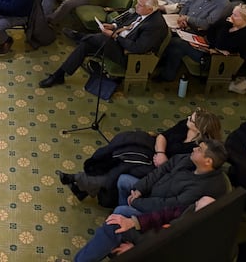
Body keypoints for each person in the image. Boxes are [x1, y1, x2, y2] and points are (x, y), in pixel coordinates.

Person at [56, 107, 221, 206]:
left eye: (191, 119)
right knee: (123, 147)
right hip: (156, 152)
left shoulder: (197, 151)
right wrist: (161, 153)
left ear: (199, 129)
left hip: (160, 170)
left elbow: (173, 169)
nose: (187, 118)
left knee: (124, 165)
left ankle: (78, 180)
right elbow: (162, 136)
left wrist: (163, 160)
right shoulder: (184, 127)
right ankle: (80, 185)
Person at [39, 0, 168, 88]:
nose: (136, 7)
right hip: (119, 43)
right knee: (85, 45)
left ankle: (80, 36)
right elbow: (128, 24)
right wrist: (113, 26)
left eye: (139, 5)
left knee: (102, 38)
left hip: (130, 56)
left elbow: (138, 48)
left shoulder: (155, 25)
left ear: (150, 9)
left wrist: (114, 36)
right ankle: (59, 75)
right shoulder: (142, 11)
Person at [74, 195, 217, 262]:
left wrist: (137, 251)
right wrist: (134, 222)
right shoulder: (191, 210)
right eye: (196, 202)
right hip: (157, 236)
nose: (193, 205)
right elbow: (164, 215)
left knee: (114, 226)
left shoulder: (196, 246)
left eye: (197, 206)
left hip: (155, 249)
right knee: (121, 215)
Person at [114, 139, 229, 216]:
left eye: (199, 149)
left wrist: (137, 202)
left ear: (208, 161)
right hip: (151, 194)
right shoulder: (190, 159)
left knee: (120, 211)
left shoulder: (202, 188)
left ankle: (125, 221)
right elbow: (162, 169)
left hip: (158, 212)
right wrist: (140, 188)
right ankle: (125, 222)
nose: (194, 149)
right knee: (123, 180)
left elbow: (169, 206)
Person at [159, 3, 246, 83]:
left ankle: (166, 72)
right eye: (232, 13)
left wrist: (218, 41)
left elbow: (221, 44)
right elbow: (211, 31)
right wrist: (214, 44)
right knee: (176, 44)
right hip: (209, 48)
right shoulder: (228, 22)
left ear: (245, 19)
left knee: (178, 43)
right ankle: (168, 74)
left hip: (217, 59)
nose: (231, 17)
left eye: (235, 15)